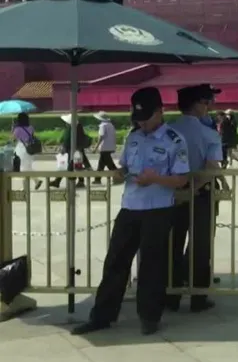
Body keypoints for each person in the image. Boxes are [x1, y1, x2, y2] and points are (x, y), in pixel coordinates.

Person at [71, 87, 189, 336]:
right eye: (138, 119)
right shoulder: (134, 137)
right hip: (130, 208)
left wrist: (157, 178)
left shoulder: (174, 140)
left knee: (151, 266)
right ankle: (102, 316)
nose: (142, 123)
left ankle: (149, 317)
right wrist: (119, 173)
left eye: (146, 118)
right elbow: (125, 165)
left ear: (160, 111)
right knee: (115, 262)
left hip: (158, 210)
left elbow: (181, 179)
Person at [166, 84, 223, 313]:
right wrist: (193, 189)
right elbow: (211, 169)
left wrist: (179, 191)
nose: (211, 106)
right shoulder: (208, 133)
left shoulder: (167, 130)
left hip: (171, 194)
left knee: (172, 244)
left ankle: (171, 295)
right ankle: (198, 297)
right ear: (200, 104)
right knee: (200, 246)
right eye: (208, 101)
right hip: (201, 194)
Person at [49, 114, 92, 189]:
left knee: (67, 165)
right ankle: (79, 181)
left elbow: (66, 139)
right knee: (77, 165)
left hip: (70, 150)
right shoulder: (79, 126)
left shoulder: (70, 128)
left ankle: (62, 181)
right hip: (78, 148)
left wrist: (63, 148)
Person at [11, 112, 42, 189]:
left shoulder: (17, 129)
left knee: (24, 168)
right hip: (30, 148)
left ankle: (27, 187)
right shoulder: (31, 127)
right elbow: (32, 135)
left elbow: (13, 139)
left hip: (22, 149)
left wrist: (13, 129)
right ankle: (36, 181)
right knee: (27, 167)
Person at [91, 111, 117, 185]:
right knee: (101, 164)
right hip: (110, 147)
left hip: (104, 147)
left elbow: (101, 137)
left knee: (110, 164)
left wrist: (96, 147)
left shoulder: (102, 125)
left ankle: (118, 177)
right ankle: (97, 179)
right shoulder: (111, 125)